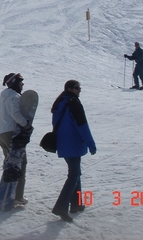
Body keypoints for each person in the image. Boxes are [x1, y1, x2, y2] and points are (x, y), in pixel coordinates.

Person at [50, 80, 96, 222]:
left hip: (63, 143)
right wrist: (91, 144)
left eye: (79, 88)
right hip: (73, 143)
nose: (79, 90)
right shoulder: (73, 103)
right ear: (69, 89)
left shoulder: (60, 102)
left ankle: (76, 204)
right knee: (74, 174)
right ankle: (61, 207)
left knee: (76, 173)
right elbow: (82, 125)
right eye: (76, 88)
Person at [0, 73, 32, 206]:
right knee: (20, 163)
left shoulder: (4, 95)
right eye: (21, 82)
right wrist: (26, 125)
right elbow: (15, 114)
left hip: (1, 133)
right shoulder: (15, 97)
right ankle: (18, 196)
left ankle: (5, 190)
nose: (22, 85)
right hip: (12, 133)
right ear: (15, 82)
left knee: (9, 164)